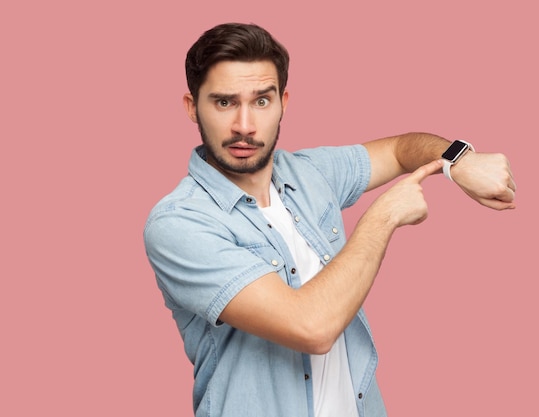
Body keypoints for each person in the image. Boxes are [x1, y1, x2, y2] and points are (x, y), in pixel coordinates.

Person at [143, 22, 516, 417]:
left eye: (262, 101)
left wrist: (460, 160)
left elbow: (399, 149)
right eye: (224, 103)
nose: (245, 126)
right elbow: (311, 327)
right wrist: (385, 216)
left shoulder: (311, 174)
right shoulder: (179, 223)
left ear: (283, 101)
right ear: (191, 106)